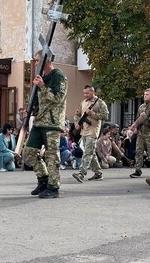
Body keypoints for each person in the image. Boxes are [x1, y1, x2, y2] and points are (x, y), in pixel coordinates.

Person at [24, 49, 67, 198]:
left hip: (52, 123)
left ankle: (53, 187)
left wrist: (42, 86)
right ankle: (43, 180)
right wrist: (29, 111)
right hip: (40, 121)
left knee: (52, 156)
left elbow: (58, 98)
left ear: (46, 61)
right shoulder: (41, 77)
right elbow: (38, 101)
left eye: (37, 60)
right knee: (28, 153)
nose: (36, 63)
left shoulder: (58, 76)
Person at [71, 85, 109, 183]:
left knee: (88, 152)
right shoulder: (83, 102)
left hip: (93, 131)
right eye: (84, 93)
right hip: (84, 131)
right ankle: (98, 173)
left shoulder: (100, 102)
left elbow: (105, 116)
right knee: (91, 152)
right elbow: (77, 114)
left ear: (92, 92)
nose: (85, 95)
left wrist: (93, 114)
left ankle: (81, 173)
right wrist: (76, 124)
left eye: (87, 93)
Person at [128, 88, 150, 178]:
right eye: (144, 94)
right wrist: (136, 128)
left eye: (147, 94)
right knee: (138, 151)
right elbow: (138, 118)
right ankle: (137, 170)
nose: (145, 96)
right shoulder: (141, 107)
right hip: (141, 132)